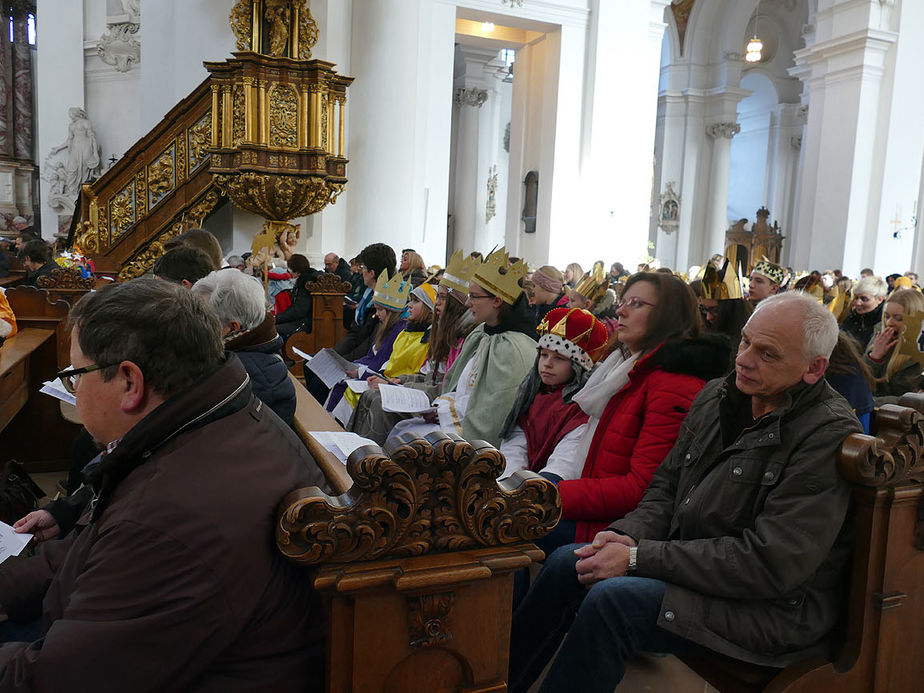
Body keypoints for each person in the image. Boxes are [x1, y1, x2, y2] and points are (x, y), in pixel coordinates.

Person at [509, 292, 863, 693]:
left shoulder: (826, 435)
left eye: (767, 354)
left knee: (614, 602)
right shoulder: (718, 395)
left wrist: (639, 558)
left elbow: (770, 564)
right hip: (699, 574)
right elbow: (666, 487)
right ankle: (499, 684)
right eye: (744, 342)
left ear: (815, 368)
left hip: (770, 611)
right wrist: (628, 534)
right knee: (565, 563)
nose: (744, 359)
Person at [0, 278, 328, 690]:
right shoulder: (217, 418)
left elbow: (54, 680)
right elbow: (96, 546)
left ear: (130, 383)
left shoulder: (169, 514)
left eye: (76, 376)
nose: (75, 391)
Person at [550, 272, 729, 554]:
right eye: (623, 301)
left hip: (619, 528)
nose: (620, 310)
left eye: (636, 303)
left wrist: (554, 495)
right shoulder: (629, 368)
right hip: (593, 510)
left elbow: (641, 489)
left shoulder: (673, 383)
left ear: (669, 315)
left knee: (506, 529)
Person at [388, 248, 537, 448]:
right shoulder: (481, 334)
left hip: (477, 442)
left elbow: (494, 415)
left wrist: (443, 413)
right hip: (453, 418)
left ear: (497, 301)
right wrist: (439, 408)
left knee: (408, 443)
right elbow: (458, 387)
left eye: (474, 296)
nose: (467, 302)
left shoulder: (514, 349)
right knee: (402, 432)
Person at [498, 307, 608, 482]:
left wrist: (547, 481)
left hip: (553, 488)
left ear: (578, 367)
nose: (547, 364)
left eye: (559, 358)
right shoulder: (532, 394)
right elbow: (519, 438)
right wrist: (509, 476)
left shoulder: (582, 407)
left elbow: (570, 452)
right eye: (543, 355)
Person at [191, 269, 296, 427]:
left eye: (202, 319)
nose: (194, 325)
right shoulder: (237, 353)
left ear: (232, 327)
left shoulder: (250, 377)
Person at [334, 243, 396, 361]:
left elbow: (369, 344)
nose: (360, 272)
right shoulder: (368, 294)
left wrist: (341, 361)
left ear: (372, 273)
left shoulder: (386, 302)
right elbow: (355, 331)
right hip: (356, 353)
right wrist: (334, 355)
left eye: (363, 268)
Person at [863, 287, 924, 405]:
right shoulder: (880, 335)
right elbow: (859, 383)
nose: (889, 323)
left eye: (898, 318)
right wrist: (874, 358)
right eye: (886, 316)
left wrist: (873, 402)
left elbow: (915, 399)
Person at [275, 253, 320, 341]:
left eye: (290, 271)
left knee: (272, 331)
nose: (289, 274)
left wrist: (276, 319)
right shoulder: (305, 280)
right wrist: (277, 318)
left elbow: (299, 311)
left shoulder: (306, 283)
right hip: (303, 320)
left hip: (305, 324)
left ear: (297, 272)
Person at [841, 275, 888, 348]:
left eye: (864, 299)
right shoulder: (852, 317)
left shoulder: (883, 324)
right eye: (856, 298)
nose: (857, 303)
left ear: (879, 299)